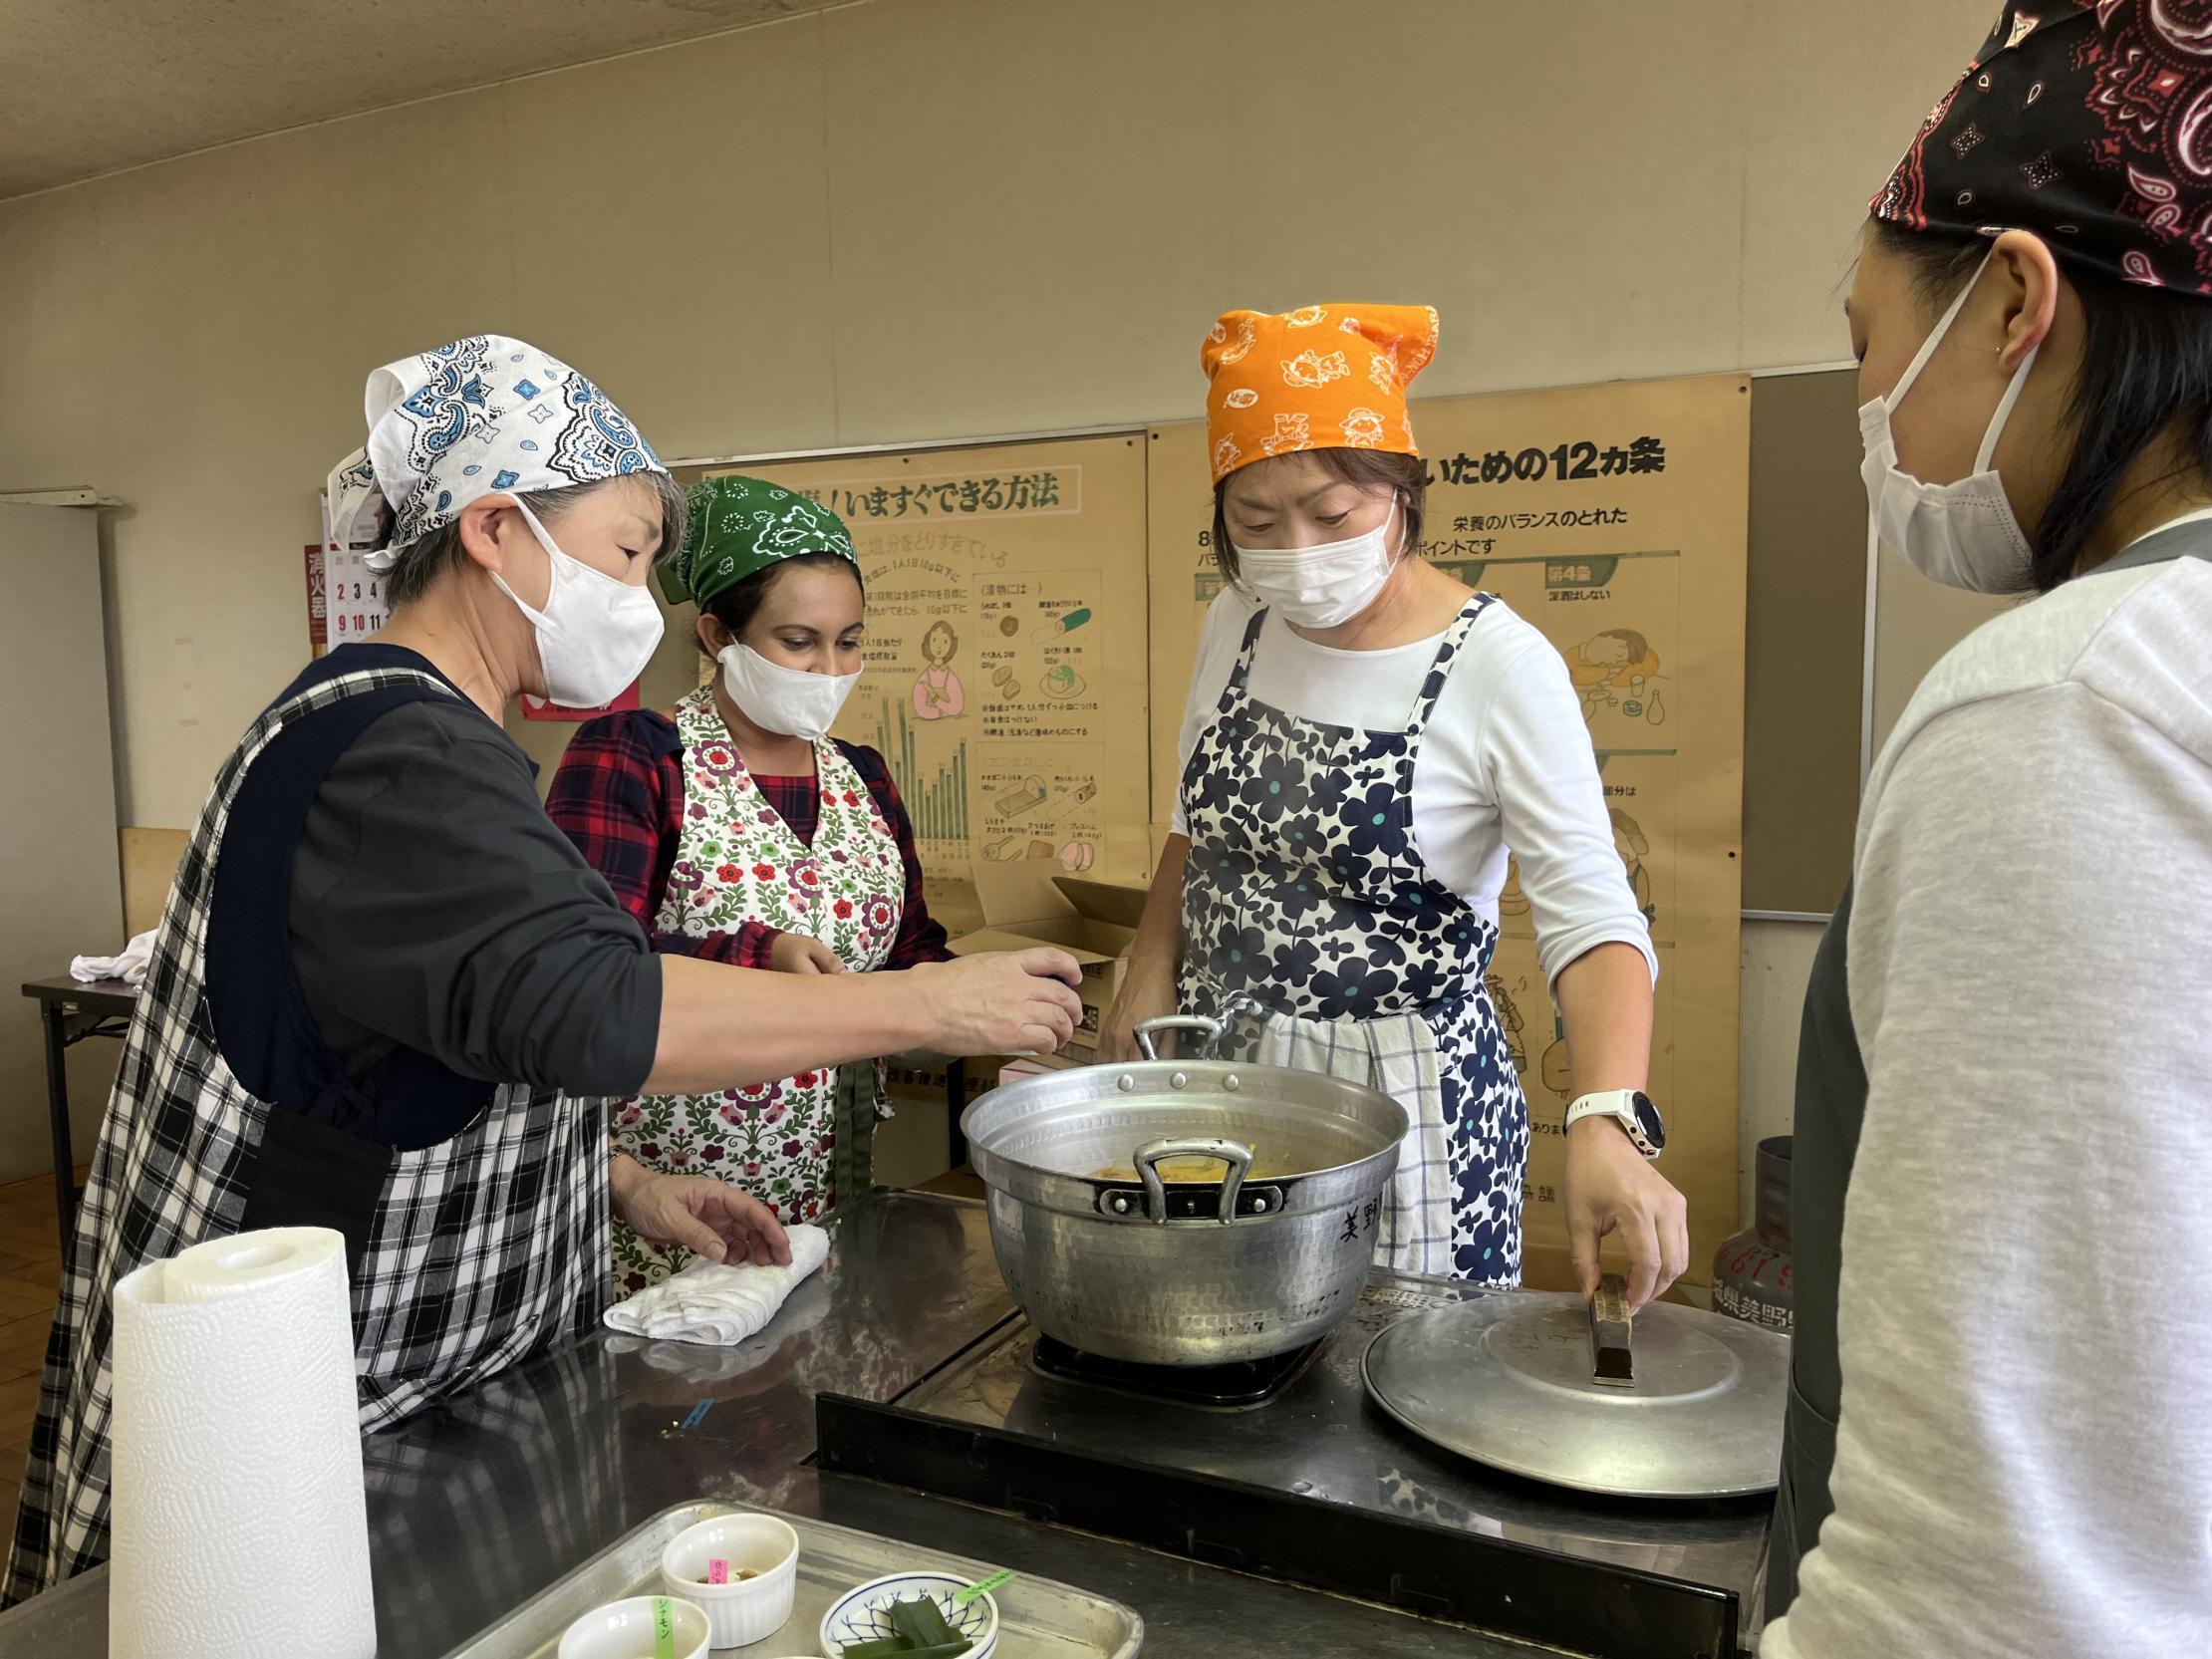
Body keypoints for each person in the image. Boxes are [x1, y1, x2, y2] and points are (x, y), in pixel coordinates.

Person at [2, 337, 1081, 1605]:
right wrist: (925, 1001)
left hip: (421, 1376)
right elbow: (598, 1001)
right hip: (313, 1400)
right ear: (497, 530)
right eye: (624, 553)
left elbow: (436, 1039)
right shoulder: (393, 748)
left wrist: (617, 1179)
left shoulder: (434, 744)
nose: (632, 594)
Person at [1763, 6, 2212, 1654]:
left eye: (1870, 340)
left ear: (2016, 298)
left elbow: (1994, 1569)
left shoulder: (2061, 707)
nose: (1866, 402)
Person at [1100, 304, 1687, 1305]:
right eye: (1255, 521)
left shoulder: (1498, 665)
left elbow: (1592, 915)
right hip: (1225, 1060)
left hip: (1402, 1095)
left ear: (1404, 491)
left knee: (1397, 1389)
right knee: (1221, 1352)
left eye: (1331, 515)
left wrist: (1603, 1113)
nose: (1296, 548)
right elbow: (1192, 823)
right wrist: (1149, 968)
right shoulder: (1236, 620)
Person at [548, 474, 951, 1294]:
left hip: (831, 1186)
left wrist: (992, 1012)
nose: (829, 669)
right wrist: (755, 951)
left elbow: (912, 954)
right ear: (715, 634)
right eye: (798, 640)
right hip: (668, 1194)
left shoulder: (863, 779)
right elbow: (581, 973)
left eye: (849, 641)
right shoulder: (637, 756)